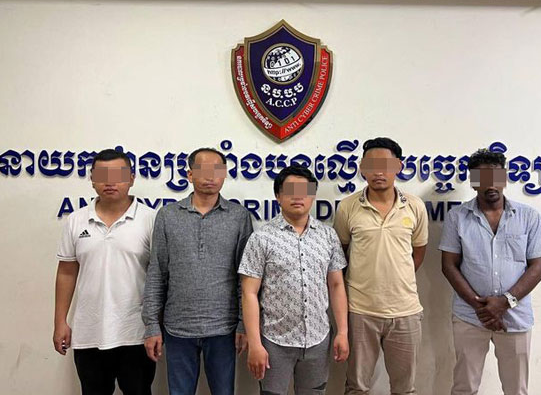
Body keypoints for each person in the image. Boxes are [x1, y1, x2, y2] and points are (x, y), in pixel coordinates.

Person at [439, 148, 541, 395]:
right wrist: (482, 308)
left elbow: (538, 266)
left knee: (516, 389)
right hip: (470, 317)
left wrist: (504, 302)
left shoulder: (528, 217)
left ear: (505, 178)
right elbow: (448, 265)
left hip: (516, 316)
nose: (490, 185)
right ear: (473, 182)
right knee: (464, 387)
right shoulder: (457, 217)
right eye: (482, 179)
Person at [142, 147, 253, 395]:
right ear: (190, 175)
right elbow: (157, 273)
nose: (210, 176)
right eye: (203, 170)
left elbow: (245, 278)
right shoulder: (168, 216)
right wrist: (151, 325)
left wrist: (243, 324)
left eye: (217, 170)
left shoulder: (239, 217)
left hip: (223, 328)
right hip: (177, 328)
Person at [239, 165, 349, 395]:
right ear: (278, 196)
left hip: (318, 338)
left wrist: (342, 332)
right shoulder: (262, 238)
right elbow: (249, 293)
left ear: (313, 196)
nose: (298, 197)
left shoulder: (328, 236)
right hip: (274, 341)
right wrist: (255, 344)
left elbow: (336, 285)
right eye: (290, 190)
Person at [53, 148, 156, 395]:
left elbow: (160, 277)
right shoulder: (76, 220)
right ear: (92, 179)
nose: (110, 182)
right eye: (102, 176)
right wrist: (60, 322)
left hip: (136, 333)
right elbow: (66, 273)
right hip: (89, 332)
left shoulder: (151, 219)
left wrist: (156, 326)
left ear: (131, 178)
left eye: (118, 175)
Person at [333, 137, 429, 395]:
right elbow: (340, 256)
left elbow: (418, 253)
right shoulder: (348, 207)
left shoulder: (415, 206)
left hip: (405, 311)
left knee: (404, 388)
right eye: (371, 165)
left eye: (385, 165)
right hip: (361, 310)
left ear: (398, 166)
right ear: (362, 168)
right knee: (357, 387)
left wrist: (396, 280)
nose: (378, 172)